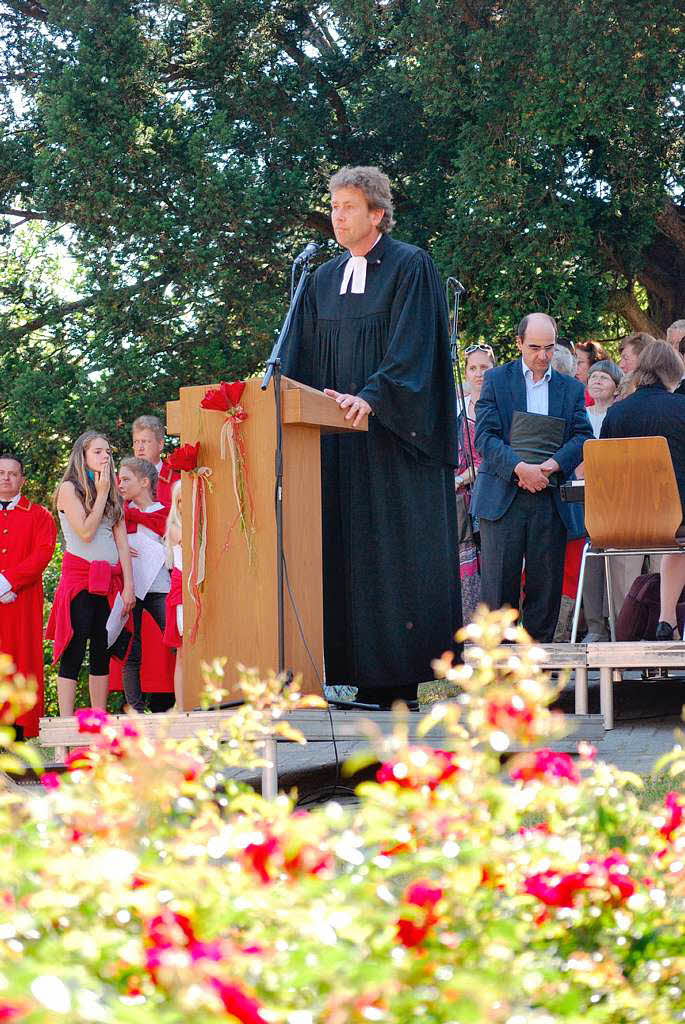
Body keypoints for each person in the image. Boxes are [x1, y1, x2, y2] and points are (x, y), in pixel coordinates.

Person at [283, 165, 461, 705]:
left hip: (390, 445)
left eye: (349, 208)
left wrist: (373, 397)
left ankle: (395, 684)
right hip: (336, 447)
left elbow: (413, 351)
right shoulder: (318, 281)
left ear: (378, 214)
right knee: (339, 552)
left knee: (388, 560)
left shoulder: (410, 267)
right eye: (334, 208)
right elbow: (295, 360)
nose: (338, 217)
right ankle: (344, 675)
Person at [471, 312, 593, 641]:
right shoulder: (497, 379)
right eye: (535, 347)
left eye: (550, 348)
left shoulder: (569, 388)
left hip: (549, 499)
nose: (543, 355)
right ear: (519, 343)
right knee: (499, 593)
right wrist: (519, 468)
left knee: (546, 590)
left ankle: (539, 675)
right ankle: (497, 676)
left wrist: (551, 466)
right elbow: (485, 436)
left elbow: (583, 437)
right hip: (503, 499)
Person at [600, 341, 685, 640]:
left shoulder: (615, 414)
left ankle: (667, 620)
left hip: (618, 523)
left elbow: (605, 475)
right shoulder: (682, 410)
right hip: (676, 521)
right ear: (674, 373)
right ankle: (667, 619)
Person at [47, 432, 135, 717]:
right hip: (79, 579)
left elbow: (121, 541)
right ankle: (65, 723)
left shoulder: (111, 492)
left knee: (102, 647)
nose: (105, 456)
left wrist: (129, 585)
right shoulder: (69, 489)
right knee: (75, 645)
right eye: (98, 451)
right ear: (82, 455)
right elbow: (85, 532)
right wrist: (100, 494)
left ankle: (98, 718)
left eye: (107, 451)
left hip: (109, 580)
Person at [0, 454, 57, 738]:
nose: (6, 478)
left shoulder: (40, 515)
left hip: (22, 601)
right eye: (1, 473)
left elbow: (43, 554)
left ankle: (18, 729)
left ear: (22, 479)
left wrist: (7, 582)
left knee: (21, 660)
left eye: (13, 474)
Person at [117, 457, 171, 712]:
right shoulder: (118, 514)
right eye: (118, 479)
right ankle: (135, 709)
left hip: (160, 587)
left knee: (175, 640)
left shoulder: (166, 511)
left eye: (126, 479)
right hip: (131, 589)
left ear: (145, 482)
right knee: (131, 649)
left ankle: (186, 700)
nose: (120, 484)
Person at [578, 359, 622, 641]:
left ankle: (621, 621)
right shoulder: (580, 415)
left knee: (619, 559)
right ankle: (595, 625)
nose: (596, 381)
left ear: (617, 387)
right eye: (592, 376)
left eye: (604, 377)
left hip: (616, 494)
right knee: (592, 556)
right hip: (584, 493)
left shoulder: (620, 415)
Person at [456, 344, 496, 624]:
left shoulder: (499, 406)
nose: (478, 374)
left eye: (484, 368)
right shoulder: (457, 406)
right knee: (461, 563)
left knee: (490, 564)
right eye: (473, 368)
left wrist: (464, 477)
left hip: (489, 496)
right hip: (459, 501)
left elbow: (495, 455)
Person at [163, 481, 184, 707]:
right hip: (183, 593)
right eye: (180, 499)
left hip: (200, 591)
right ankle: (182, 706)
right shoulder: (174, 527)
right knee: (183, 651)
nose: (183, 504)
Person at [132, 415, 180, 508]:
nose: (139, 448)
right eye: (136, 442)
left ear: (160, 444)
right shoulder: (120, 482)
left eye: (145, 441)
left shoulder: (177, 482)